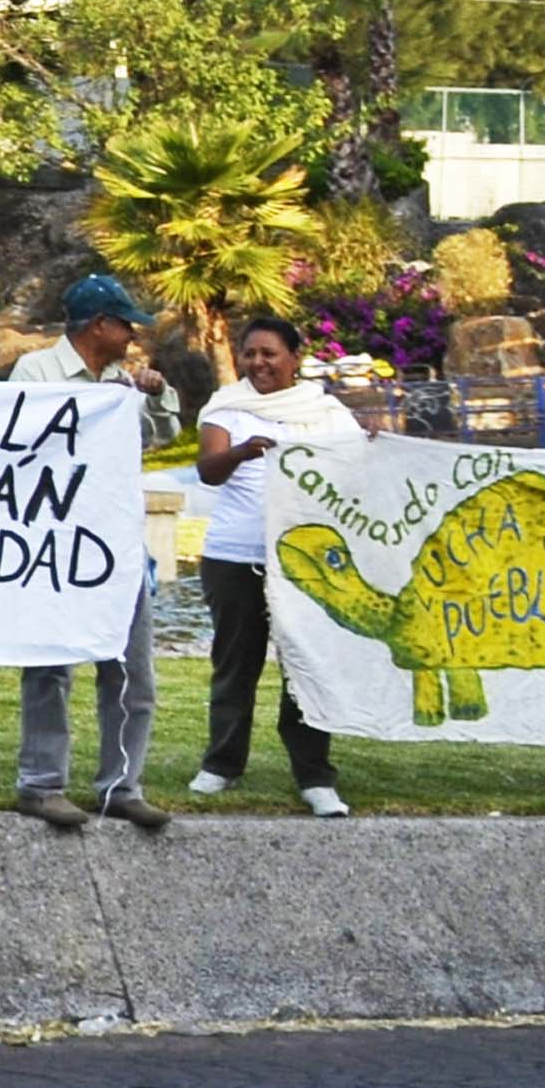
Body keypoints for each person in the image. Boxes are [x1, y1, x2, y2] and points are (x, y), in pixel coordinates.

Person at [6, 274, 181, 830]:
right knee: (50, 668)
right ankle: (41, 785)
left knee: (131, 673)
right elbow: (20, 441)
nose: (133, 335)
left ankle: (121, 787)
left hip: (116, 544)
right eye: (126, 324)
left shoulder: (123, 381)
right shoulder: (36, 372)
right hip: (54, 543)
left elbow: (162, 436)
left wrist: (154, 395)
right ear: (99, 325)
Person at [188, 317, 365, 818]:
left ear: (294, 358)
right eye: (250, 353)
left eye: (269, 353)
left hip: (303, 563)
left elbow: (360, 470)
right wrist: (242, 453)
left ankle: (315, 777)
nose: (258, 363)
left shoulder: (325, 412)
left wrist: (374, 446)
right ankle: (222, 765)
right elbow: (208, 471)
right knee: (235, 665)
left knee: (306, 667)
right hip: (235, 558)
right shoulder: (227, 407)